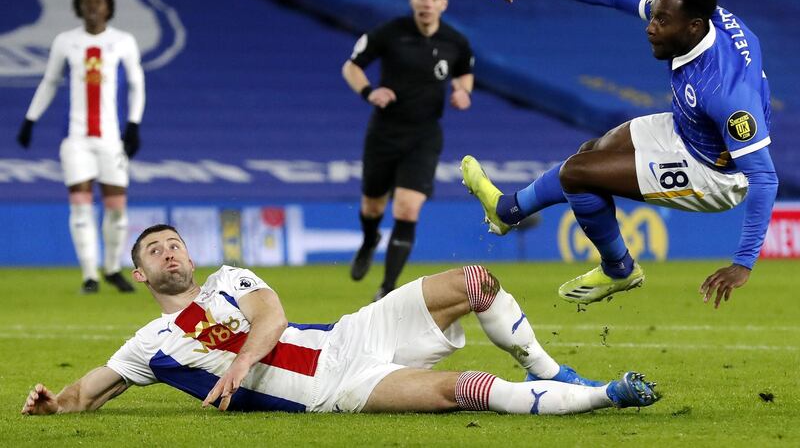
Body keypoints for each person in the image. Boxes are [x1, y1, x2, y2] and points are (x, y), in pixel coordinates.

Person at [21, 224, 658, 416]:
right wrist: (55, 405)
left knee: (475, 283)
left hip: (351, 337)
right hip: (335, 390)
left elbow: (271, 316)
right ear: (140, 276)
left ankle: (554, 370)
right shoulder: (149, 344)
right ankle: (608, 396)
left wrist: (242, 360)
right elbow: (87, 394)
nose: (170, 253)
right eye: (154, 252)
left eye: (174, 244)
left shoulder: (228, 280)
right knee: (465, 390)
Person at [462, 0, 778, 309]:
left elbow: (764, 176)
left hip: (715, 174)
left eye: (661, 21)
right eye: (654, 15)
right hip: (691, 128)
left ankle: (618, 269)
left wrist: (743, 264)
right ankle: (507, 211)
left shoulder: (727, 95)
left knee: (577, 173)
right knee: (590, 153)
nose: (650, 26)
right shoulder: (693, 16)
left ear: (694, 27)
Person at [342, 0, 474, 301]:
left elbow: (465, 74)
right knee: (373, 204)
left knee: (406, 207)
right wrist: (370, 91)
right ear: (413, 1)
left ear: (443, 4)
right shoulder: (389, 33)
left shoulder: (456, 41)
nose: (427, 3)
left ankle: (387, 287)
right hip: (385, 132)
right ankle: (370, 238)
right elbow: (351, 66)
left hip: (425, 135)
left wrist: (463, 93)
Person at [16, 0, 145, 294]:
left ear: (108, 8)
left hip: (111, 139)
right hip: (75, 139)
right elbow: (50, 81)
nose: (92, 6)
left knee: (116, 207)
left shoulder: (123, 42)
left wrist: (134, 124)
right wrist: (30, 119)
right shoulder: (66, 41)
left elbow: (136, 84)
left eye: (98, 1)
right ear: (78, 7)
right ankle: (90, 275)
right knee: (81, 206)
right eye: (87, 1)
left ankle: (113, 268)